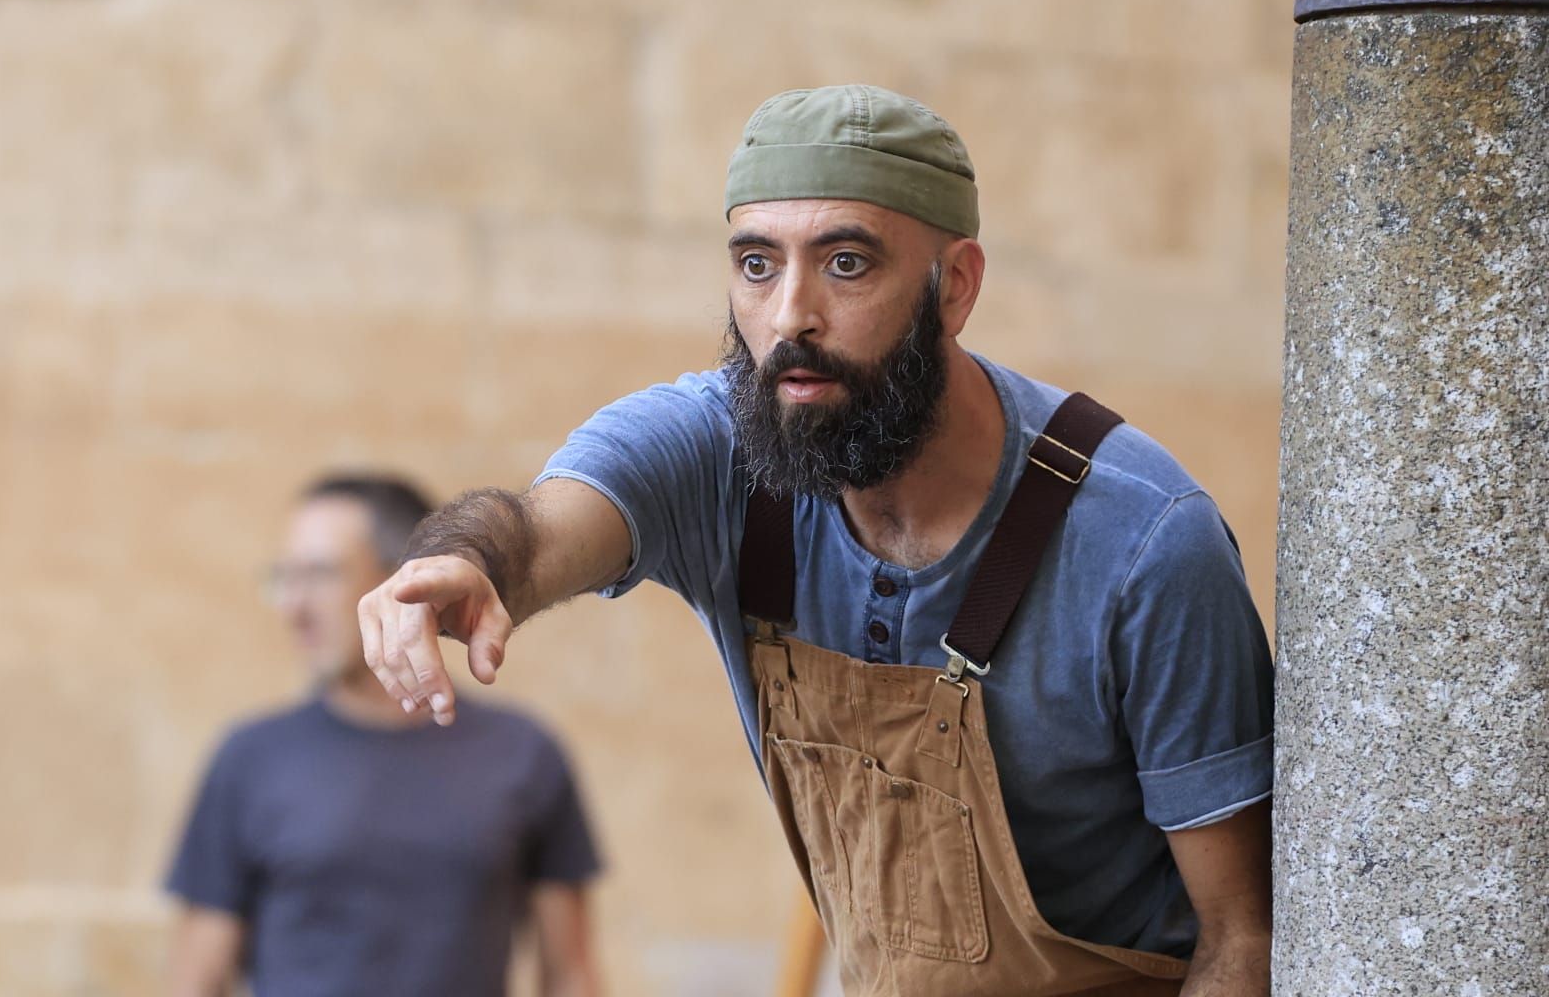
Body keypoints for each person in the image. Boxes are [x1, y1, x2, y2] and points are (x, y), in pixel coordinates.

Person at [357, 86, 1275, 997]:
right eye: (757, 265)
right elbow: (536, 525)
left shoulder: (1143, 545)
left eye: (845, 264)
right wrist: (465, 560)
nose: (790, 314)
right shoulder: (720, 448)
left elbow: (1245, 941)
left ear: (953, 286)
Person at [165, 474, 604, 997]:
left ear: (405, 583)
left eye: (320, 574)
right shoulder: (250, 759)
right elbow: (197, 979)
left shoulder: (523, 754)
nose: (293, 607)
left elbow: (570, 975)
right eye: (286, 578)